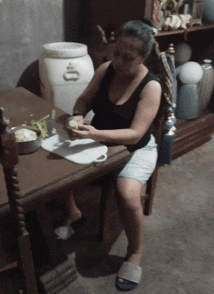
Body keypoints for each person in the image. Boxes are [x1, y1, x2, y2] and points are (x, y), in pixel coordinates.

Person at [64, 18, 162, 291]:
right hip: (101, 140)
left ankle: (135, 251)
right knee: (59, 163)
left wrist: (93, 133)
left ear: (143, 57)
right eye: (115, 52)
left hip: (136, 148)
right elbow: (83, 100)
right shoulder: (106, 69)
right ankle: (74, 214)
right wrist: (77, 117)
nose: (117, 61)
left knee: (127, 193)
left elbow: (135, 133)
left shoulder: (151, 87)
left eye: (127, 57)